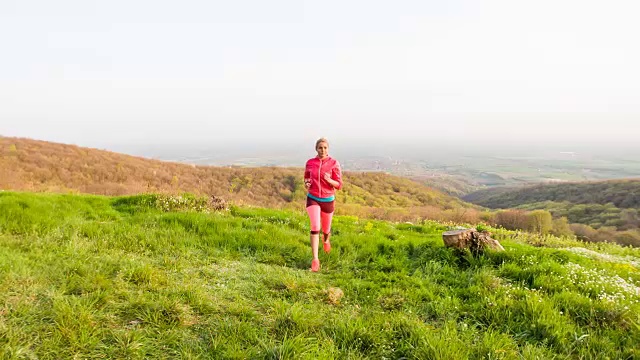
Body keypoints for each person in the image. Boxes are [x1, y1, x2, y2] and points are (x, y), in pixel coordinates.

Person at [304, 137, 343, 272]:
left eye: (325, 148)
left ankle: (326, 241)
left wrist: (329, 180)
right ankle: (315, 260)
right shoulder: (310, 163)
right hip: (313, 197)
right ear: (316, 149)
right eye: (320, 147)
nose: (322, 150)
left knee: (326, 229)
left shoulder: (334, 163)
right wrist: (307, 184)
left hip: (328, 199)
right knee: (315, 226)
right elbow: (307, 178)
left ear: (328, 149)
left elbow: (339, 185)